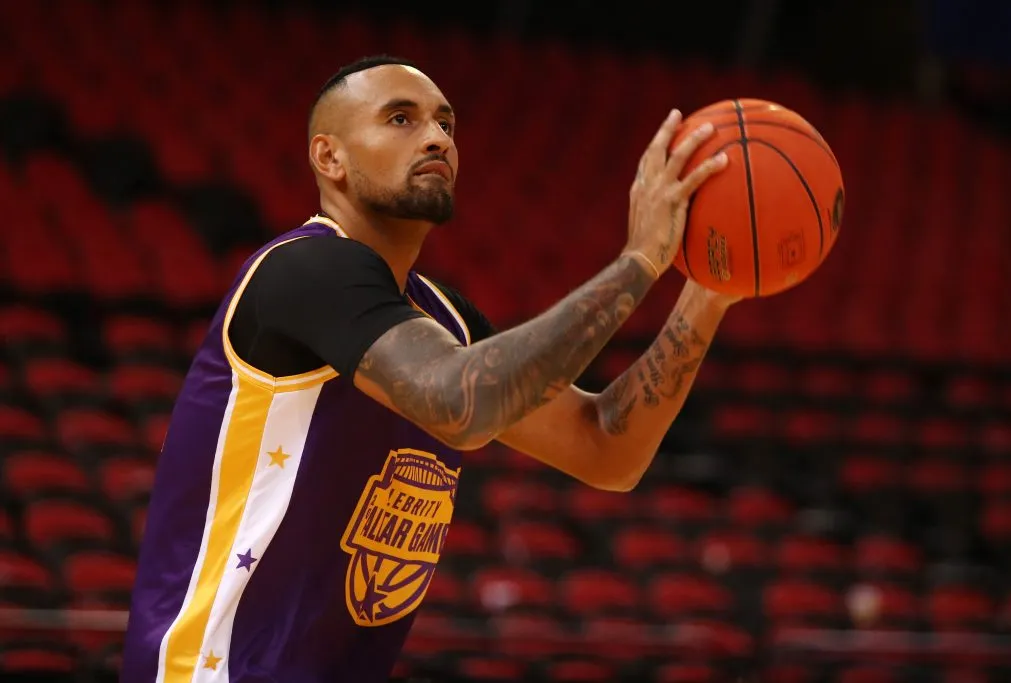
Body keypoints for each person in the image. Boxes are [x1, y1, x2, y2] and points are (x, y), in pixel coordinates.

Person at [121, 54, 738, 683]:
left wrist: (712, 289)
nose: (438, 137)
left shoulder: (442, 316)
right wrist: (640, 260)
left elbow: (609, 449)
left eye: (446, 123)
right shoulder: (303, 269)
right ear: (329, 158)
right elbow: (460, 407)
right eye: (400, 118)